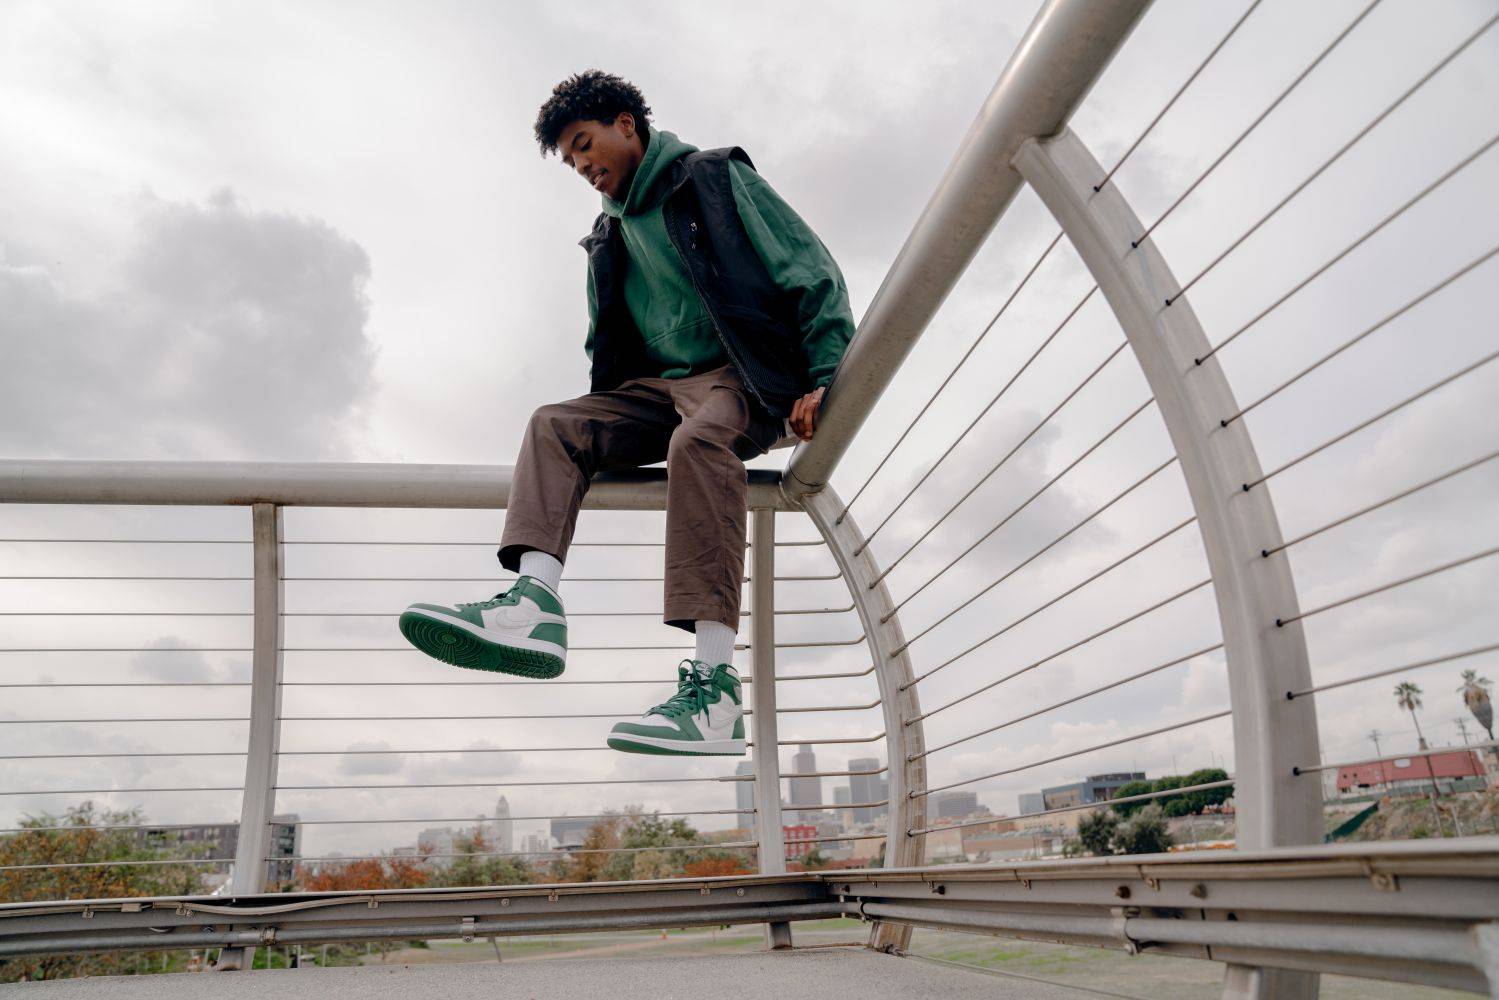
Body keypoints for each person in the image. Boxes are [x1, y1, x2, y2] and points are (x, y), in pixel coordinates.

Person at [399, 70, 854, 757]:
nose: (582, 165)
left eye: (586, 144)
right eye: (570, 158)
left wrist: (824, 375)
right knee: (555, 424)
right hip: (657, 391)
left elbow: (809, 268)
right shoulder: (605, 237)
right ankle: (531, 605)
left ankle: (714, 691)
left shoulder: (710, 178)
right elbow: (604, 342)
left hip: (744, 378)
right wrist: (605, 425)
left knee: (699, 444)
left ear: (627, 125)